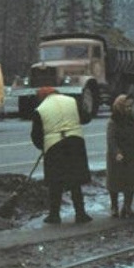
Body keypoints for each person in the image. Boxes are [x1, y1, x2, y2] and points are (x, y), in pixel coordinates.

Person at [30, 90, 92, 225]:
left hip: (54, 147)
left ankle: (54, 215)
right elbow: (86, 117)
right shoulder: (72, 101)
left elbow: (36, 135)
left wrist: (44, 146)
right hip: (75, 142)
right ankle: (80, 214)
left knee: (55, 182)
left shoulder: (40, 109)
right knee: (75, 181)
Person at [105, 94, 134, 218]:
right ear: (119, 106)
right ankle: (114, 207)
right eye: (126, 106)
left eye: (130, 106)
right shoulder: (113, 121)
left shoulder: (132, 119)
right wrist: (116, 153)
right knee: (115, 183)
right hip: (118, 156)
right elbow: (111, 139)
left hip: (132, 154)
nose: (129, 109)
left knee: (131, 182)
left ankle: (127, 207)